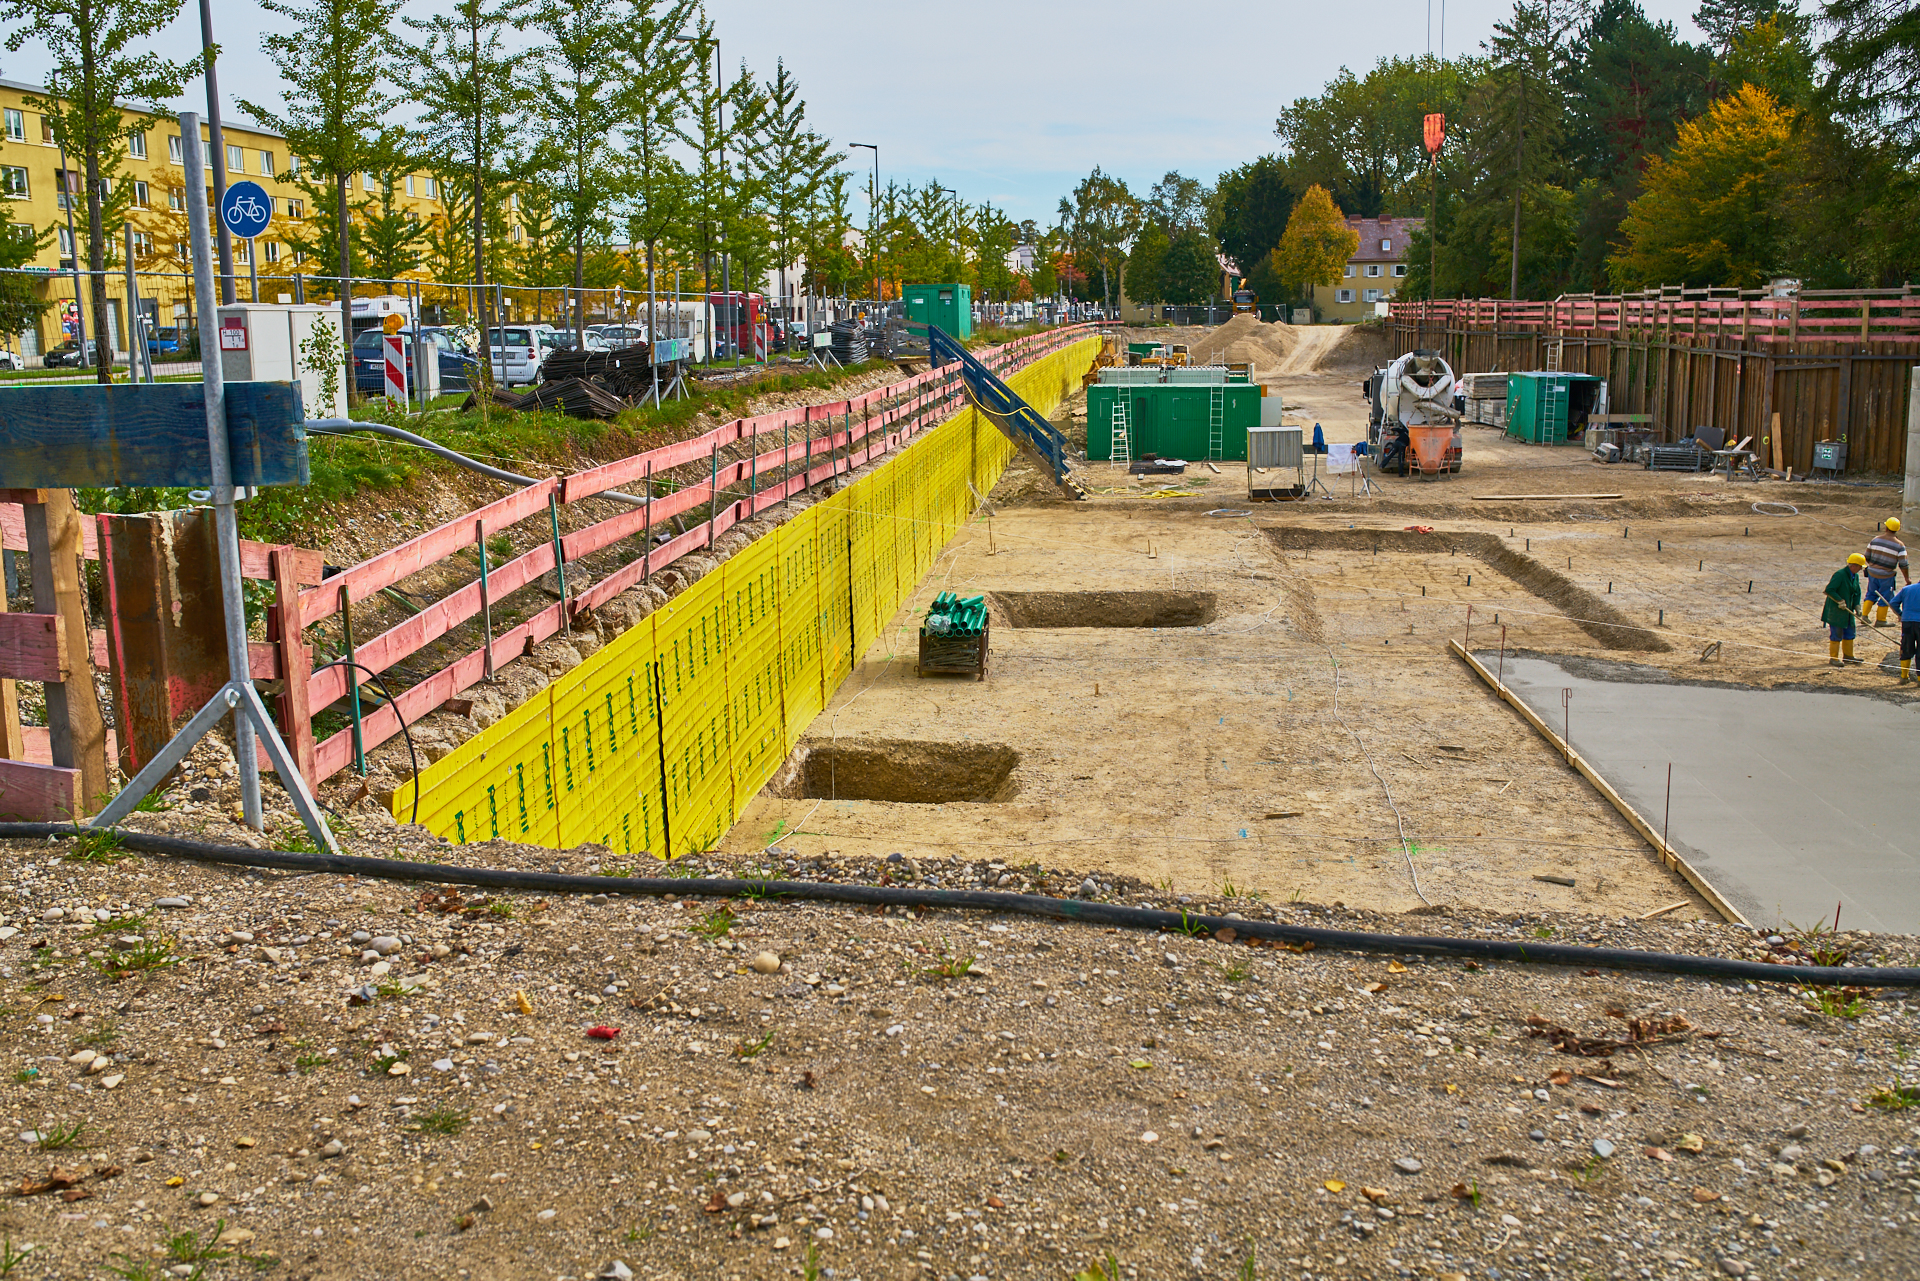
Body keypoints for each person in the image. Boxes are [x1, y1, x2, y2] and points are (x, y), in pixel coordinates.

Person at [1863, 517, 1909, 626]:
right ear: (1897, 529)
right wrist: (1907, 578)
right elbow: (1903, 564)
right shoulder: (1900, 545)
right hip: (1887, 576)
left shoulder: (1875, 540)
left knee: (1871, 593)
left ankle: (1864, 616)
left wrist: (1873, 566)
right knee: (1885, 596)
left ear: (1886, 527)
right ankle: (1881, 620)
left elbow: (1866, 557)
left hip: (1872, 573)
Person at [1822, 553, 1866, 667]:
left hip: (1848, 611)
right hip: (1836, 611)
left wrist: (1857, 605)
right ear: (1853, 566)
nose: (1861, 569)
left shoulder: (1855, 576)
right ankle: (1834, 658)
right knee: (1836, 634)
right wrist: (1839, 600)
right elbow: (1829, 590)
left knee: (1850, 632)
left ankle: (1848, 656)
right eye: (1860, 567)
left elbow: (1857, 592)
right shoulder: (1840, 575)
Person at [1890, 575, 1920, 684]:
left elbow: (1893, 603)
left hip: (1907, 623)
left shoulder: (1907, 589)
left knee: (1906, 648)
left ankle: (1904, 676)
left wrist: (1901, 614)